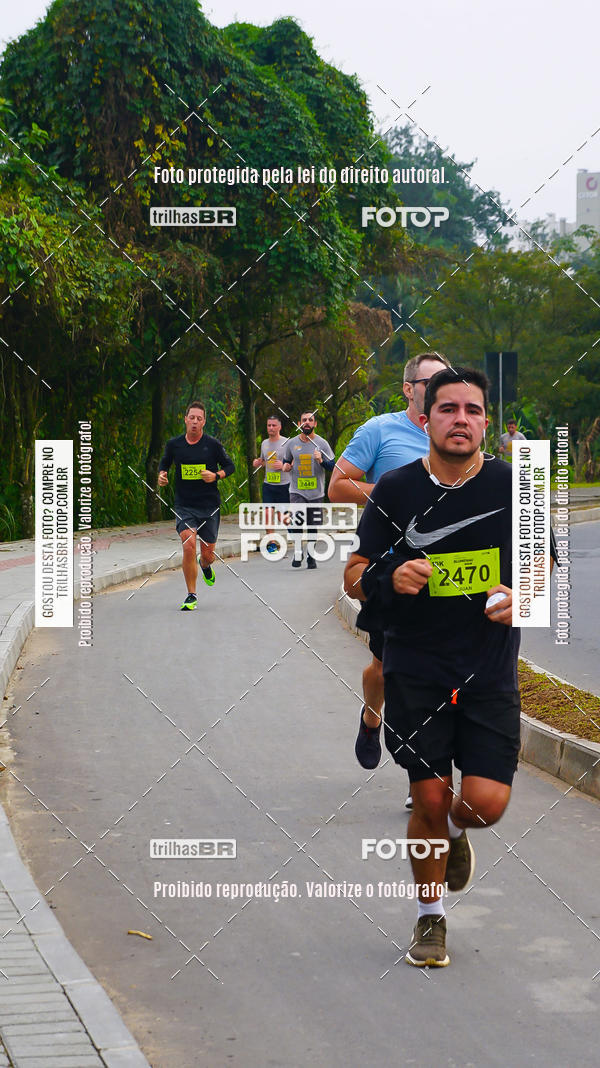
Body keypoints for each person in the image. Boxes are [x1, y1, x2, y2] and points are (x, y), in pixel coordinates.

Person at [343, 366, 523, 968]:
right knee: (428, 796)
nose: (461, 420)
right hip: (416, 667)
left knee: (482, 805)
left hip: (489, 671)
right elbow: (354, 575)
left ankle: (456, 834)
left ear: (485, 421)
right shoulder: (394, 490)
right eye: (449, 409)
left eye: (473, 410)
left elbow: (542, 565)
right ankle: (430, 919)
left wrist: (520, 595)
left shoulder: (512, 488)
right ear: (427, 417)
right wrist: (389, 577)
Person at [329, 351, 450, 806]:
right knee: (386, 671)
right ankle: (371, 715)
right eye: (432, 380)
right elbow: (338, 485)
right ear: (409, 388)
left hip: (443, 576)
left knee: (429, 675)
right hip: (387, 571)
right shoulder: (380, 430)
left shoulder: (454, 434)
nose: (442, 388)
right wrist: (393, 493)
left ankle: (422, 778)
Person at [158, 401, 235, 610]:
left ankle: (205, 564)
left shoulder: (213, 445)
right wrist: (161, 475)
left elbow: (230, 466)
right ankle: (191, 595)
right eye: (191, 417)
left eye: (199, 418)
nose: (194, 421)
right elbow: (164, 462)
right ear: (185, 419)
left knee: (208, 554)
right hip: (184, 506)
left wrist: (216, 475)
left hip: (209, 506)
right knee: (188, 544)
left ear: (204, 422)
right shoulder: (174, 445)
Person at [282, 411, 335, 569]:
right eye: (304, 420)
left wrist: (321, 461)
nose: (307, 422)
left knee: (312, 526)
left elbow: (333, 466)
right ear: (299, 424)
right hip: (296, 490)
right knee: (297, 522)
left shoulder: (322, 443)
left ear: (315, 424)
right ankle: (298, 552)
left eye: (310, 420)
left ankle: (311, 556)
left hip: (316, 492)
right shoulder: (292, 443)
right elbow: (286, 461)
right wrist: (286, 466)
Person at [252, 414, 291, 551]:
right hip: (268, 485)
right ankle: (272, 543)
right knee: (268, 513)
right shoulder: (264, 443)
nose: (271, 428)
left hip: (284, 485)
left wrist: (283, 465)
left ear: (279, 427)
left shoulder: (287, 443)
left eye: (274, 425)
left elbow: (294, 463)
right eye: (269, 425)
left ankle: (295, 531)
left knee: (283, 517)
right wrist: (258, 462)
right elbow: (264, 461)